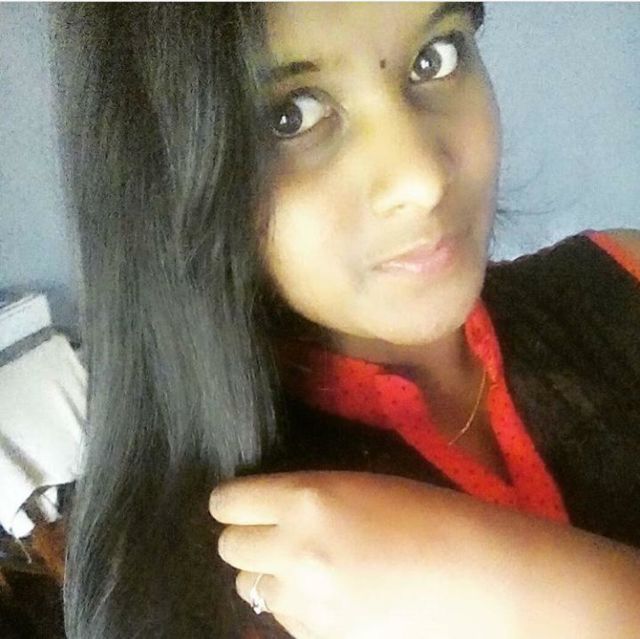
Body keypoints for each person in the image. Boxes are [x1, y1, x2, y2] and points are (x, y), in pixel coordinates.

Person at [41, 2, 640, 638]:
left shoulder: (620, 274)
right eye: (291, 115)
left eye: (434, 57)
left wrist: (526, 590)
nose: (421, 178)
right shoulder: (181, 594)